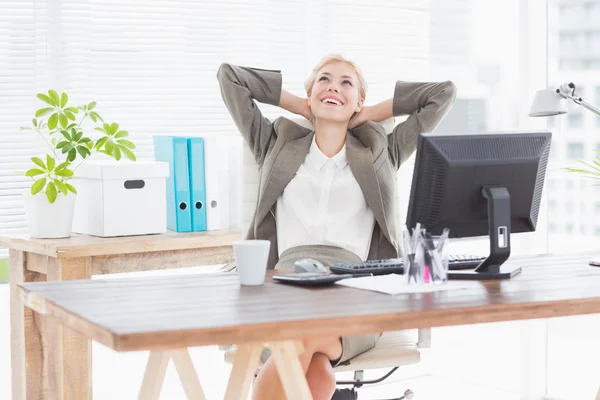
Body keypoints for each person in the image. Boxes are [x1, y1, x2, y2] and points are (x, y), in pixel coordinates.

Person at [217, 54, 456, 400]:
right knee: (319, 378)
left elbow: (443, 94)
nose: (334, 87)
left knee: (298, 342)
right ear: (311, 92)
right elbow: (230, 78)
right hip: (288, 285)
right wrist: (299, 104)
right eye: (324, 80)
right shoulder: (275, 142)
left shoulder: (380, 150)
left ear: (358, 101)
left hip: (355, 289)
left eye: (347, 83)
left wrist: (373, 112)